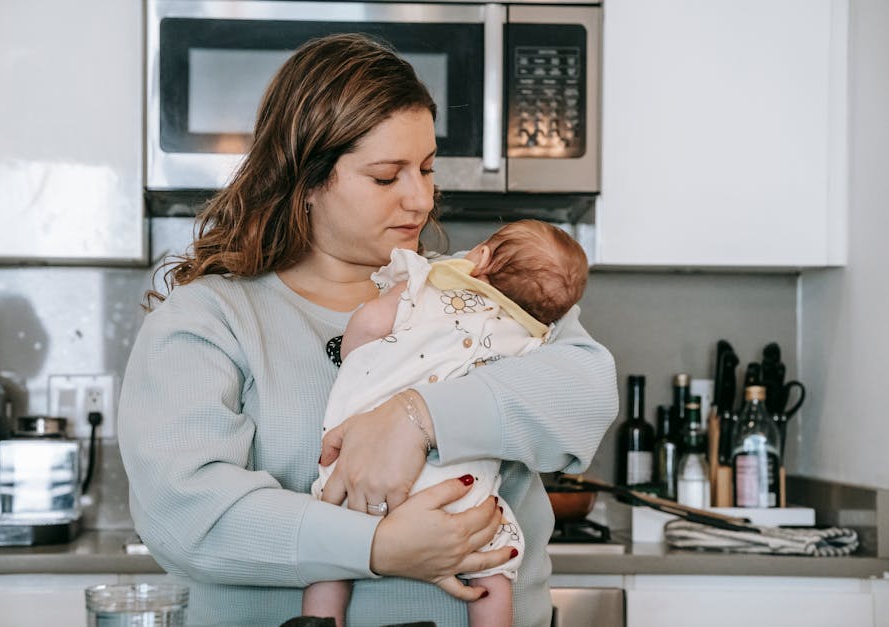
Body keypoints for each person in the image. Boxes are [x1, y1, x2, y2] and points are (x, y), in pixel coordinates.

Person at [117, 32, 617, 627]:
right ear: (305, 182)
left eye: (428, 169)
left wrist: (417, 415)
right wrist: (379, 548)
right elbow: (184, 512)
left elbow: (586, 390)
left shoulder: (478, 294)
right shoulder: (211, 318)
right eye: (387, 177)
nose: (421, 199)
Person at [304, 219, 589, 627]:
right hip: (461, 490)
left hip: (355, 472)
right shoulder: (533, 340)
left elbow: (368, 324)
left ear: (481, 257)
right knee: (492, 565)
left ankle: (320, 618)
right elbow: (561, 389)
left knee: (329, 556)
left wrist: (356, 357)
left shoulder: (427, 285)